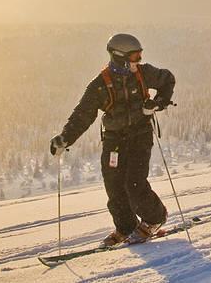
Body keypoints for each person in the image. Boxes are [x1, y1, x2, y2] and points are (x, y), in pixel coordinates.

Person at [49, 33, 175, 246]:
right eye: (135, 56)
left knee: (134, 183)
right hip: (114, 141)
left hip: (140, 136)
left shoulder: (144, 73)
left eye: (140, 55)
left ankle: (155, 218)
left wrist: (158, 103)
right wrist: (65, 138)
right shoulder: (100, 85)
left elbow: (167, 79)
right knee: (114, 187)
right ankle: (126, 227)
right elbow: (83, 114)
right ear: (120, 57)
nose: (139, 60)